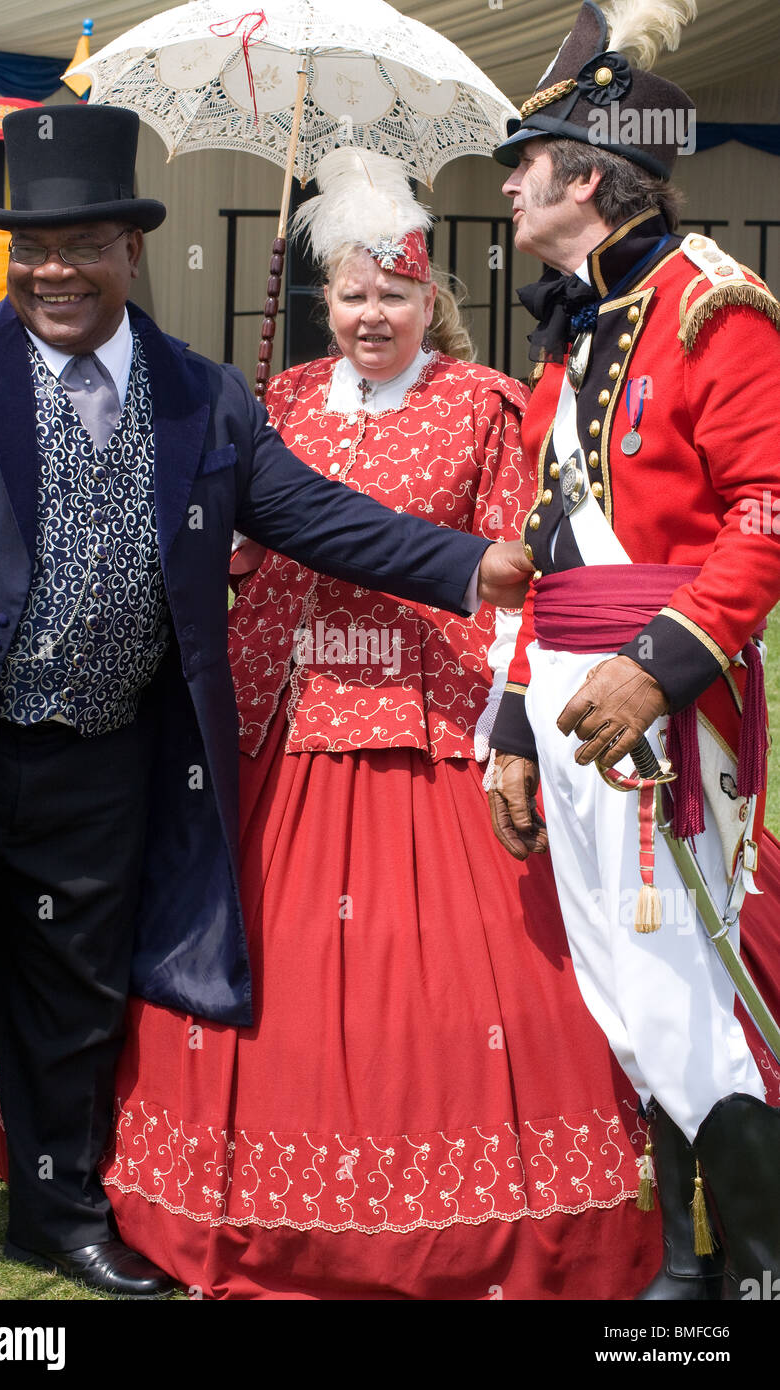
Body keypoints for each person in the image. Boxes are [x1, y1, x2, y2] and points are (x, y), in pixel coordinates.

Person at [9, 148, 667, 1301]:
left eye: (395, 294)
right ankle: (103, 1181)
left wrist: (488, 582)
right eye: (353, 294)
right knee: (224, 940)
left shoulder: (486, 406)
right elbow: (247, 524)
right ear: (327, 300)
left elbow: (475, 541)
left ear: (431, 301)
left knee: (449, 985)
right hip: (270, 714)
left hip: (425, 714)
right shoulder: (267, 401)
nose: (372, 314)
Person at [0, 104, 534, 1298]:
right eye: (32, 246)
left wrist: (467, 564)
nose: (55, 268)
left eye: (83, 242)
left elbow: (309, 516)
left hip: (101, 753)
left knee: (71, 998)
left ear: (130, 250)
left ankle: (54, 1214)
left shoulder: (197, 394)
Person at [486, 0, 780, 1300]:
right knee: (622, 972)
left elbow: (765, 517)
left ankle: (757, 1265)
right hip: (564, 693)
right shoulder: (575, 330)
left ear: (587, 180)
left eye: (523, 163)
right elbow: (542, 543)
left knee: (689, 973)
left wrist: (658, 662)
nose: (503, 185)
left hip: (670, 698)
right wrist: (508, 725)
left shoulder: (714, 307)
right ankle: (684, 1253)